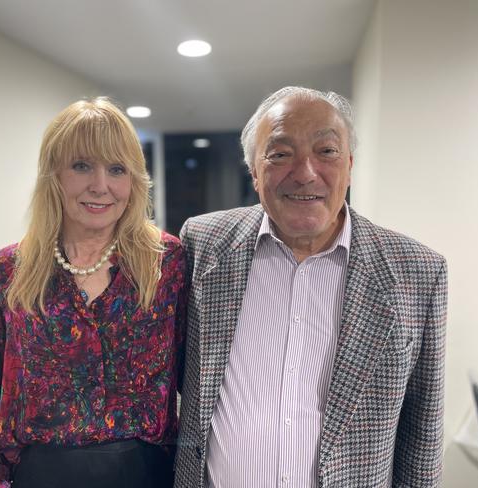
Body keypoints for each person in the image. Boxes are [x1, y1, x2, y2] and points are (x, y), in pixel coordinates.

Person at [174, 86, 448, 487]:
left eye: (326, 151)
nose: (304, 173)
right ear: (254, 171)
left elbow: (423, 434)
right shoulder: (203, 243)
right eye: (281, 154)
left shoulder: (418, 272)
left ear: (350, 165)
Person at [0, 98, 186, 488]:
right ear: (54, 174)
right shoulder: (10, 271)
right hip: (41, 476)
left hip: (145, 475)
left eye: (117, 169)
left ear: (134, 180)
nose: (100, 186)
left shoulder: (166, 263)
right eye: (82, 165)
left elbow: (196, 382)